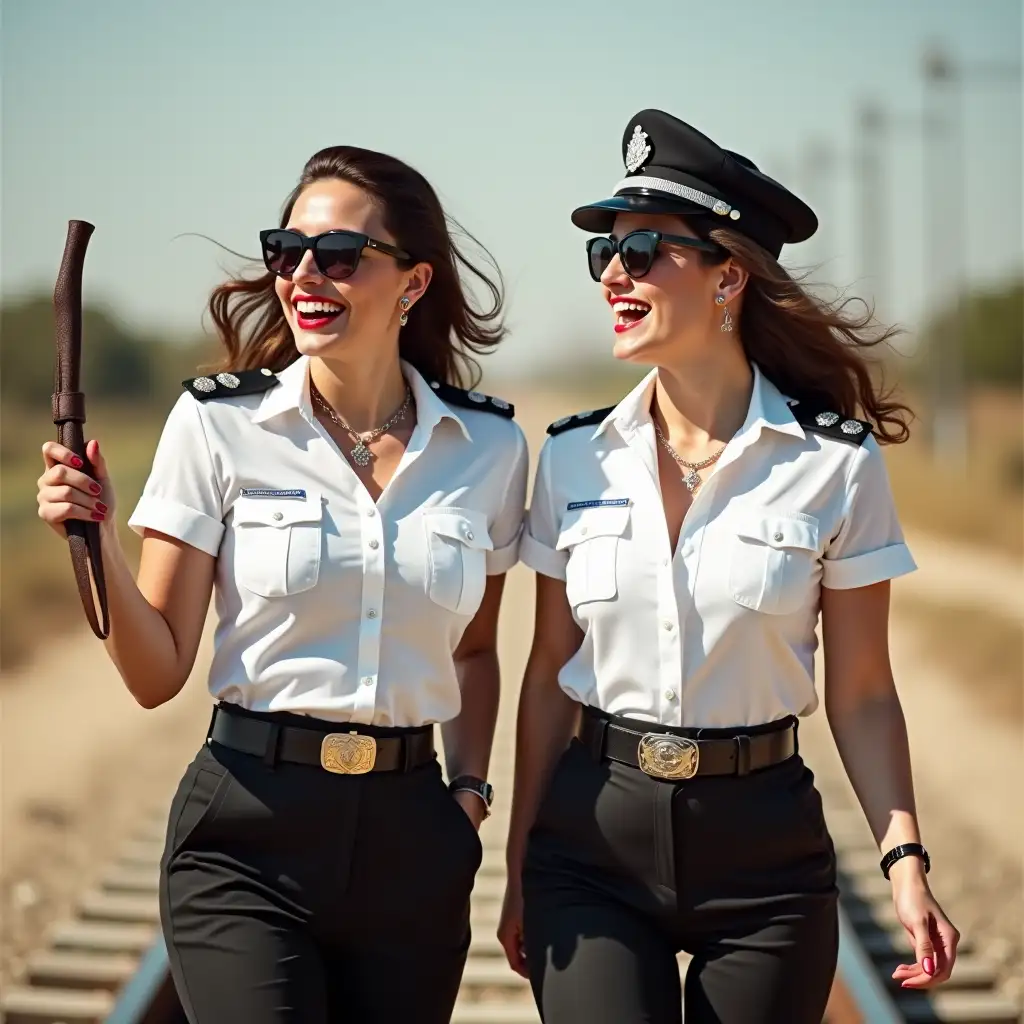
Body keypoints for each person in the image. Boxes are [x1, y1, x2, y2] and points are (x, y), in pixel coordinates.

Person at [36, 144, 528, 1024]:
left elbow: (480, 649)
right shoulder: (217, 424)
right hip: (247, 833)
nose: (304, 274)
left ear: (412, 285)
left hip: (414, 840)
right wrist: (97, 538)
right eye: (286, 251)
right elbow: (155, 674)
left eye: (337, 255)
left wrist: (470, 795)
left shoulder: (489, 448)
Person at [497, 109, 959, 1024]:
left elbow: (863, 691)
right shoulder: (572, 459)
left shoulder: (836, 463)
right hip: (593, 845)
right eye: (607, 254)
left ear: (728, 277)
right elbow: (549, 676)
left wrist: (905, 863)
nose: (614, 275)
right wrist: (517, 866)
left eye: (644, 251)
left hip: (765, 861)